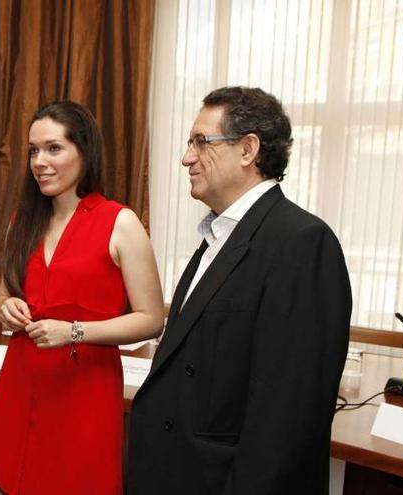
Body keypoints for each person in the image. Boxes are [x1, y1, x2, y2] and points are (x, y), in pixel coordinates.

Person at [126, 87, 352, 494]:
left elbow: (288, 421)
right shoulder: (217, 237)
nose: (186, 157)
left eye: (201, 142)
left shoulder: (302, 243)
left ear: (248, 149)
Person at [0, 101, 165, 494]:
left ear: (84, 151)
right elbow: (3, 295)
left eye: (53, 148)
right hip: (20, 383)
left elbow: (151, 318)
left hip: (85, 393)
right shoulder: (22, 221)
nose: (39, 161)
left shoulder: (120, 222)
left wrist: (74, 331)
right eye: (34, 150)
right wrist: (7, 308)